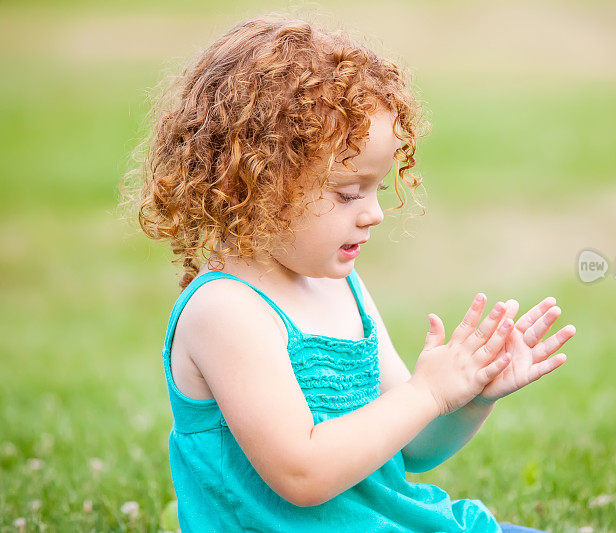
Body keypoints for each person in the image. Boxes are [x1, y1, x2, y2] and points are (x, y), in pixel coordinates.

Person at [121, 11, 575, 532]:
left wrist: (469, 394)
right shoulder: (225, 311)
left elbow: (412, 445)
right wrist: (424, 393)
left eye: (377, 188)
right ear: (260, 181)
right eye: (347, 193)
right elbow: (303, 473)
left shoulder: (341, 287)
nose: (374, 212)